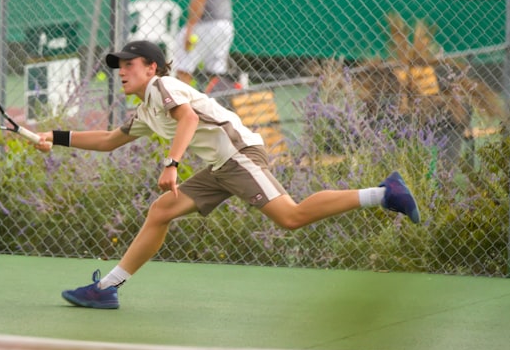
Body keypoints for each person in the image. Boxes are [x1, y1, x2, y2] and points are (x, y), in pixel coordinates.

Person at [34, 40, 420, 310]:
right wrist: (57, 136)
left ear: (151, 68)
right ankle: (107, 289)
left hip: (239, 154)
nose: (122, 72)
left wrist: (171, 163)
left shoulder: (164, 85)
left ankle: (385, 193)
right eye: (119, 67)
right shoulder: (146, 109)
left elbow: (186, 118)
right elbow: (107, 140)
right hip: (219, 166)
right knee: (160, 212)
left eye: (129, 65)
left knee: (291, 216)